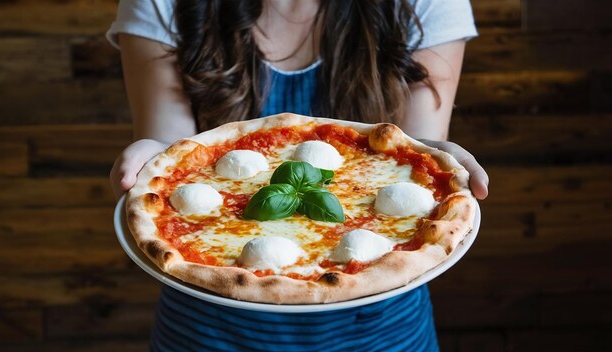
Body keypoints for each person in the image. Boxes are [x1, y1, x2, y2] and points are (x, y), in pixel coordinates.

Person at [107, 0, 489, 350]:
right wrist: (152, 153)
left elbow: (418, 148)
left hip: (381, 334)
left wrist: (439, 160)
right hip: (206, 333)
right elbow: (175, 154)